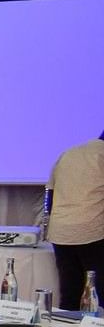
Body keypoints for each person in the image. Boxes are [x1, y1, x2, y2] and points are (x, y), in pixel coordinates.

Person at [46, 129, 104, 309]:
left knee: (70, 293)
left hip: (61, 231)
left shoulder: (69, 153)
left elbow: (50, 195)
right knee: (98, 294)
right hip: (91, 231)